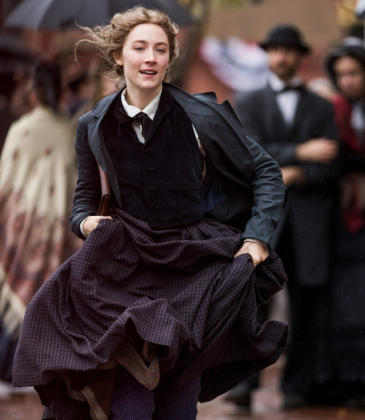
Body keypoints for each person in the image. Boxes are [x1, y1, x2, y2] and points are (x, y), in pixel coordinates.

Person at [13, 8, 288, 420]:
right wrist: (86, 222)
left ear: (170, 58)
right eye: (139, 47)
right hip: (125, 266)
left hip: (193, 266)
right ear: (119, 56)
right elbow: (82, 203)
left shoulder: (201, 116)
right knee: (128, 395)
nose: (151, 58)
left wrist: (257, 239)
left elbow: (266, 170)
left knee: (179, 398)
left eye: (161, 49)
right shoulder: (92, 125)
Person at [234, 25, 339, 408]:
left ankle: (299, 385)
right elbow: (249, 154)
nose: (282, 57)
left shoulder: (321, 106)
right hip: (264, 221)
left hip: (312, 222)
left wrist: (296, 171)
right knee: (254, 302)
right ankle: (245, 384)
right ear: (267, 55)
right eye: (275, 50)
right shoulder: (247, 102)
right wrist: (301, 154)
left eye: (288, 50)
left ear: (300, 56)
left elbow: (331, 164)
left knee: (307, 304)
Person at [0, 62, 82, 383]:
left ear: (33, 91)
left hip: (17, 226)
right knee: (40, 297)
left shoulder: (21, 129)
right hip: (53, 228)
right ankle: (25, 370)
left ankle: (6, 370)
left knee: (11, 292)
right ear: (61, 91)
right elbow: (74, 184)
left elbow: (5, 182)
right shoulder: (67, 132)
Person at [321, 44, 365, 406]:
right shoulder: (335, 109)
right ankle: (351, 380)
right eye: (342, 75)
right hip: (346, 216)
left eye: (355, 73)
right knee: (350, 301)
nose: (348, 81)